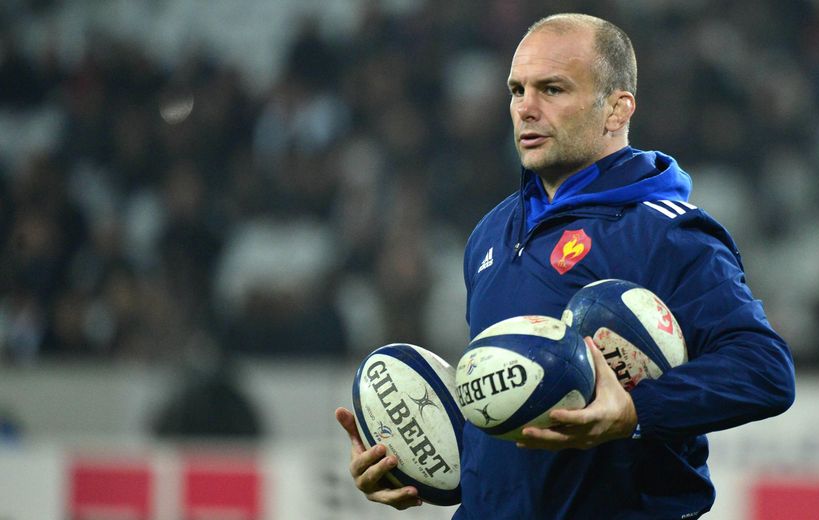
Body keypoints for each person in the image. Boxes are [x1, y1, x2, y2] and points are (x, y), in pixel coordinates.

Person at [335, 12, 795, 519]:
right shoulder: (491, 233)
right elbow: (518, 415)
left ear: (616, 109)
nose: (526, 109)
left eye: (552, 89)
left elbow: (764, 371)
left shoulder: (664, 233)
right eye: (517, 90)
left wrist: (635, 413)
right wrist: (413, 464)